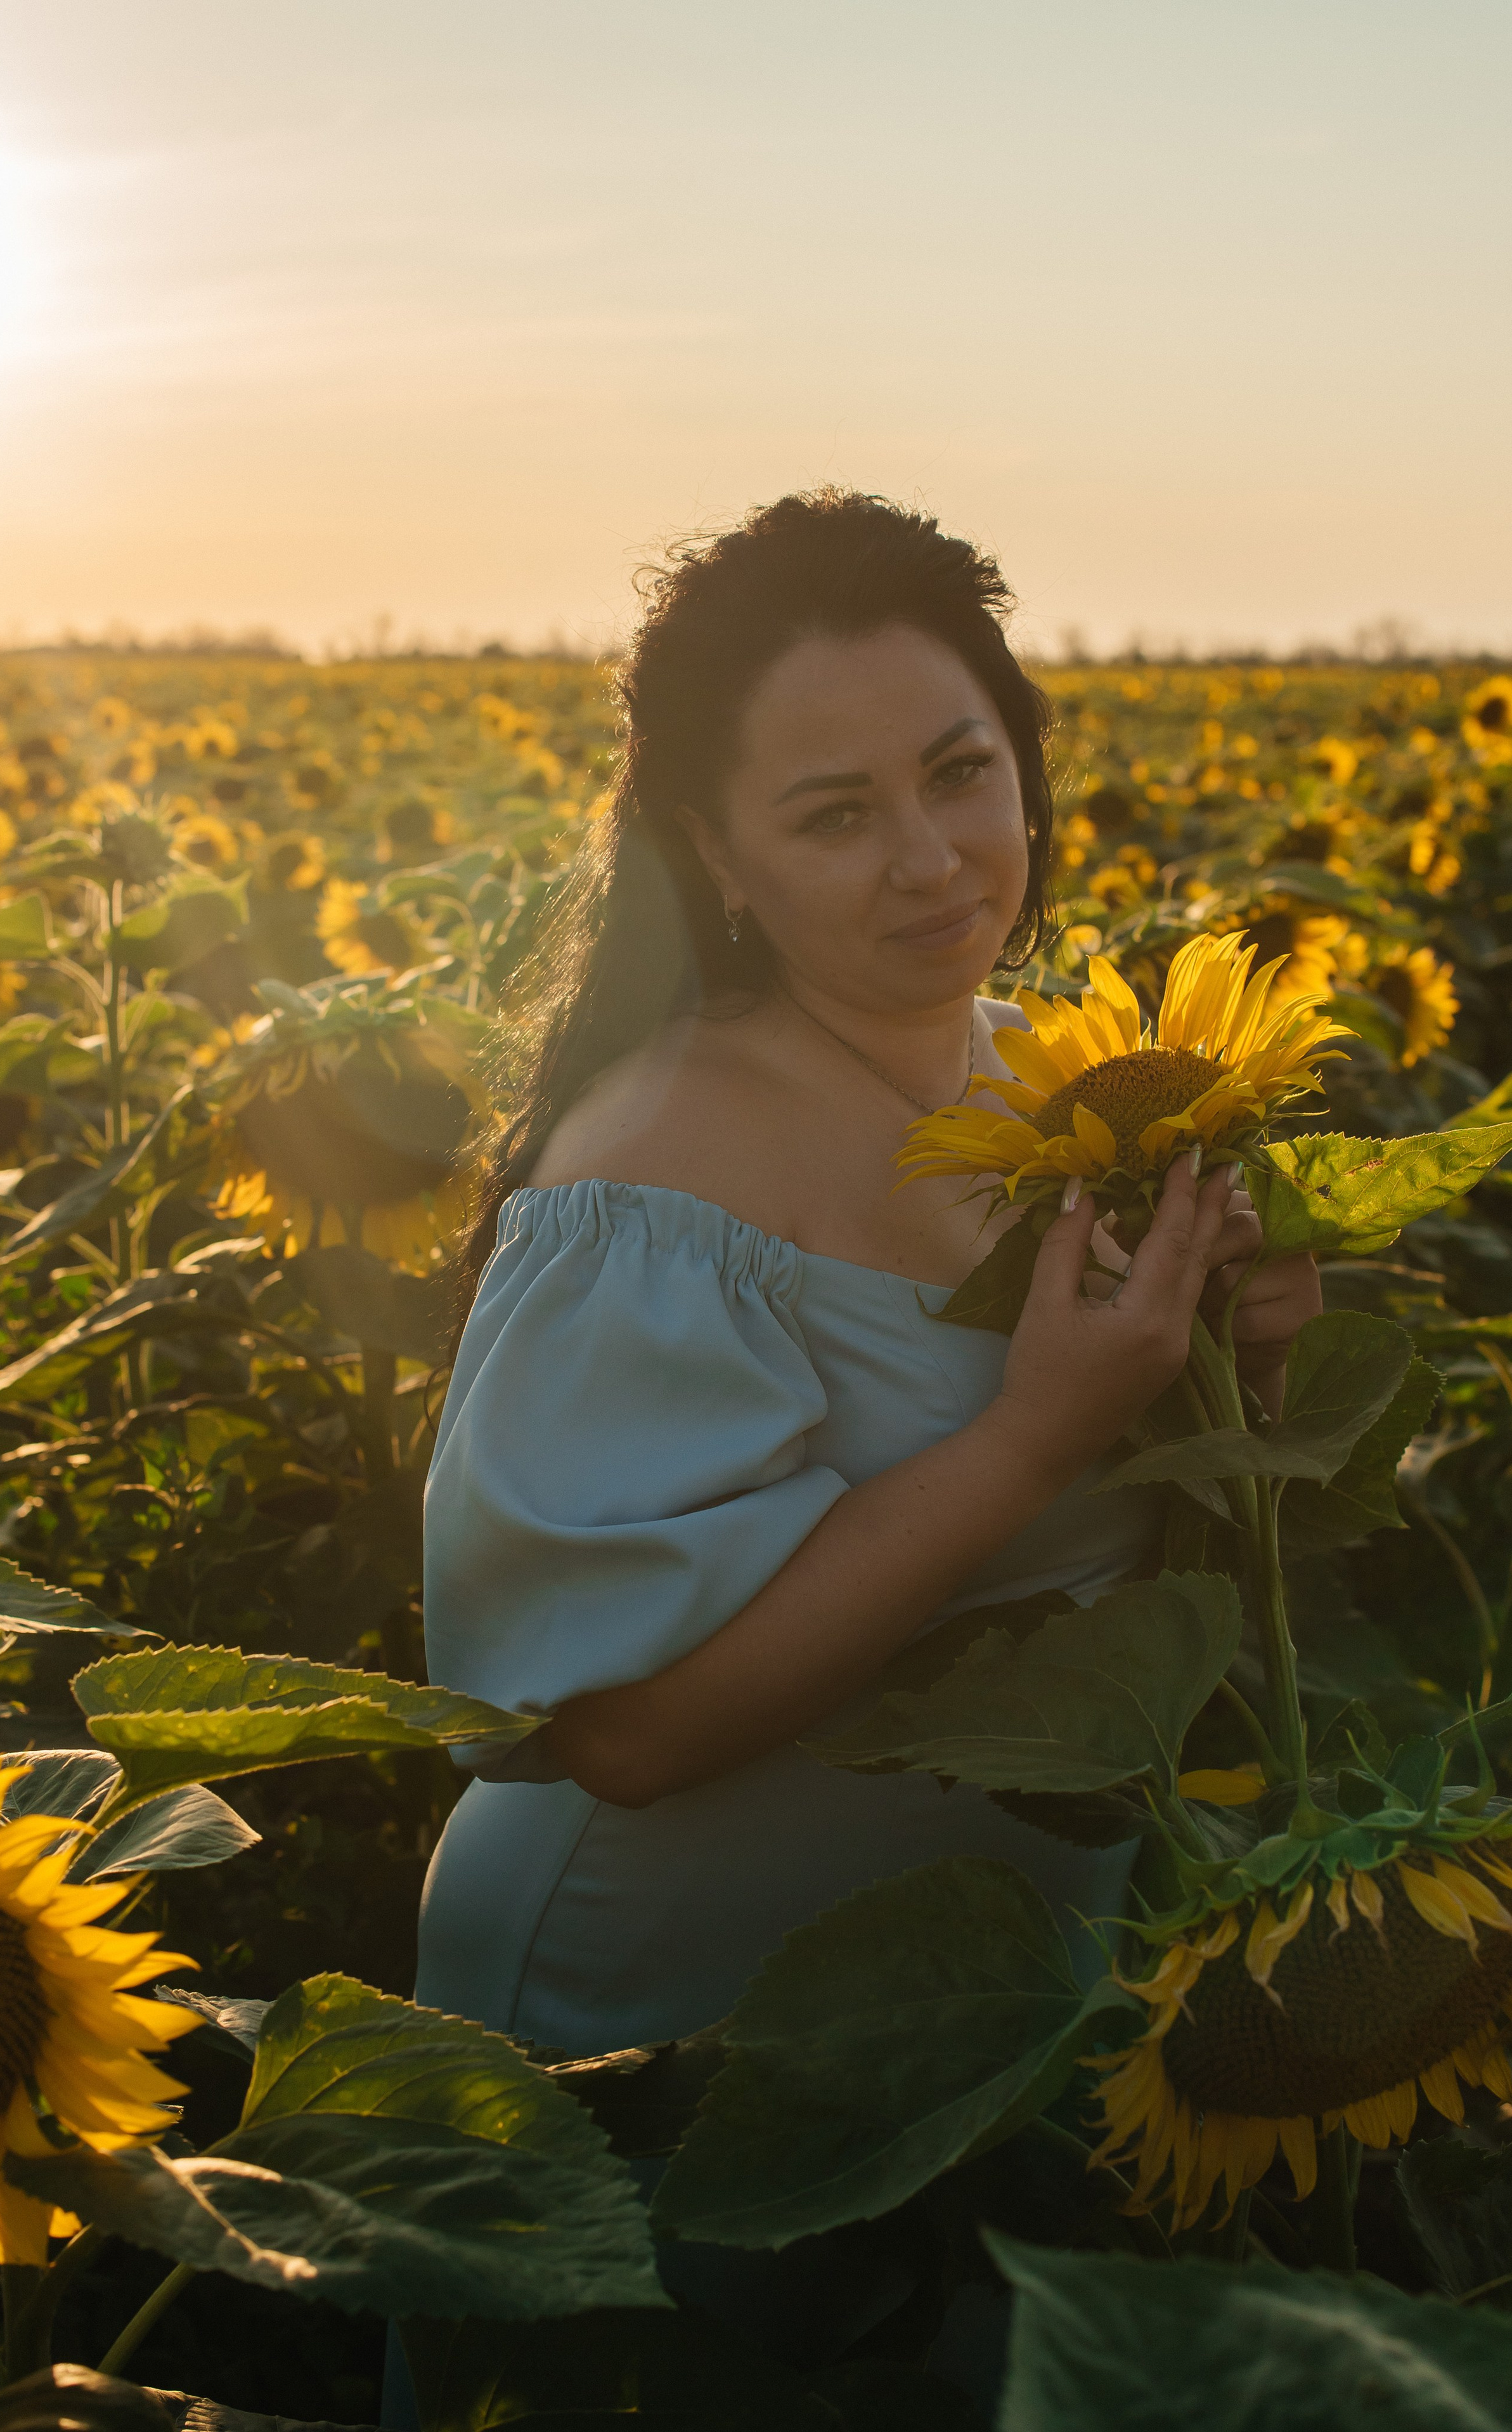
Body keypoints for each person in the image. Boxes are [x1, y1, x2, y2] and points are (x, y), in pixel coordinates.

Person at [413, 488, 1321, 2058]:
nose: (927, 860)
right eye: (834, 815)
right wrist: (1028, 1437)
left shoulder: (1056, 1086)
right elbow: (619, 1729)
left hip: (1006, 1992)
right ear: (715, 852)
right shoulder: (651, 1174)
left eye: (960, 774)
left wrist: (1242, 1364)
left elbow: (1129, 1571)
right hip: (663, 2014)